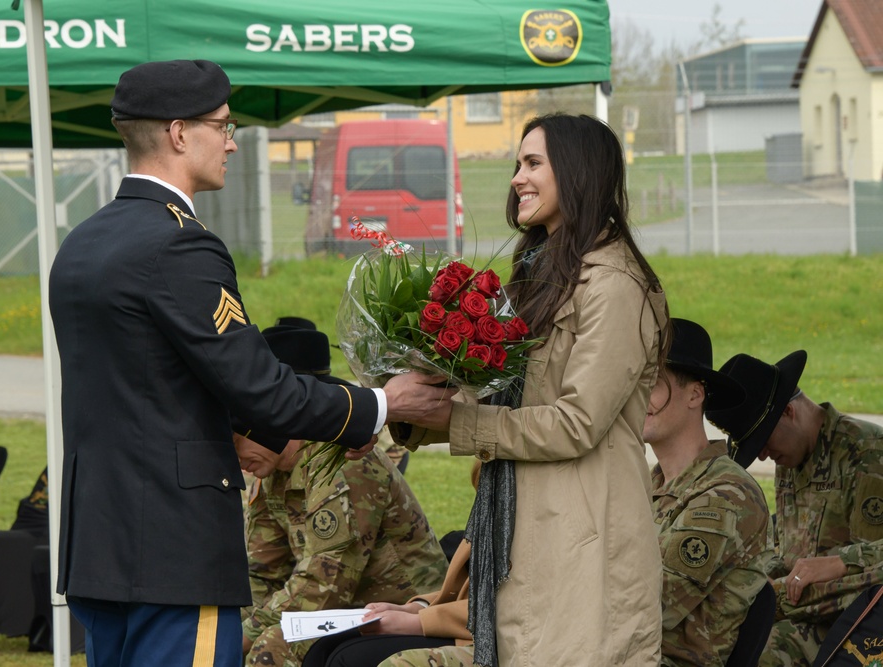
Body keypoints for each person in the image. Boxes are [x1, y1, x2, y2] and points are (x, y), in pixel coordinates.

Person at [47, 59, 448, 667]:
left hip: (99, 544)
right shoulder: (179, 241)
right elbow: (264, 392)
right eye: (224, 125)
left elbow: (160, 386)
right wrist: (385, 402)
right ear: (180, 134)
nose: (233, 142)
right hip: (173, 549)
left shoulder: (82, 243)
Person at [394, 113, 670, 666]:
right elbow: (504, 394)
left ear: (578, 172)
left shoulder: (615, 285)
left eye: (533, 163)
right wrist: (405, 405)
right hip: (526, 541)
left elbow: (575, 423)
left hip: (586, 554)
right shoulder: (540, 269)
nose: (517, 177)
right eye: (518, 164)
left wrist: (459, 423)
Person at [238, 322, 448, 667]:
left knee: (267, 654)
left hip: (405, 614)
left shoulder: (342, 459)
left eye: (236, 439)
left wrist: (244, 637)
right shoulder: (271, 465)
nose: (236, 461)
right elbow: (264, 572)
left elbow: (325, 583)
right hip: (338, 613)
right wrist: (232, 628)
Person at [706, 351, 883, 667]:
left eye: (762, 440)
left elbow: (870, 577)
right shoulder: (791, 455)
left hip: (853, 625)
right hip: (796, 613)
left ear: (788, 412)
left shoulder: (867, 454)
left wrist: (838, 564)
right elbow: (790, 553)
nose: (761, 456)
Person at [645, 318, 771, 665]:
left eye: (651, 383)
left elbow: (650, 608)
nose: (636, 396)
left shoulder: (726, 494)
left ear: (695, 394)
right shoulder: (648, 484)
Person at [306, 462, 483, 667]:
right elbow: (472, 590)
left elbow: (506, 609)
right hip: (461, 621)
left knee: (351, 659)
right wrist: (415, 608)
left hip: (492, 637)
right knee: (325, 648)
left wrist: (418, 621)